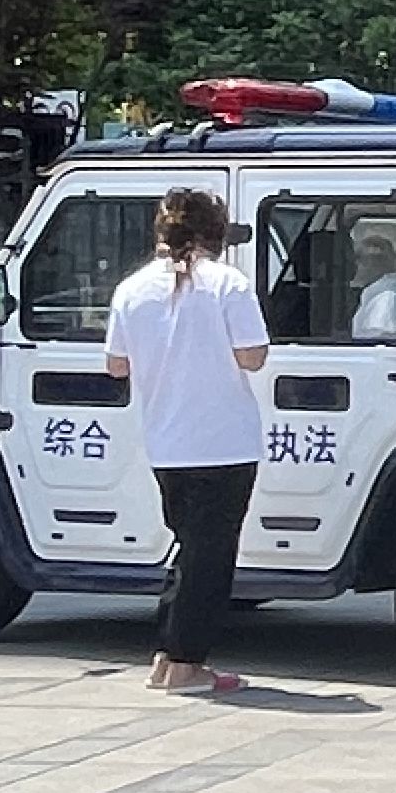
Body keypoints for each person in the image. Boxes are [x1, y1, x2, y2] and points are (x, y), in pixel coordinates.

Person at [104, 186, 269, 697]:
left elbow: (116, 365)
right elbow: (253, 356)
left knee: (187, 550)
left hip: (166, 442)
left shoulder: (131, 289)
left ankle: (167, 655)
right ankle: (186, 664)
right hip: (225, 442)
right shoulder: (228, 284)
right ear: (215, 234)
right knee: (210, 559)